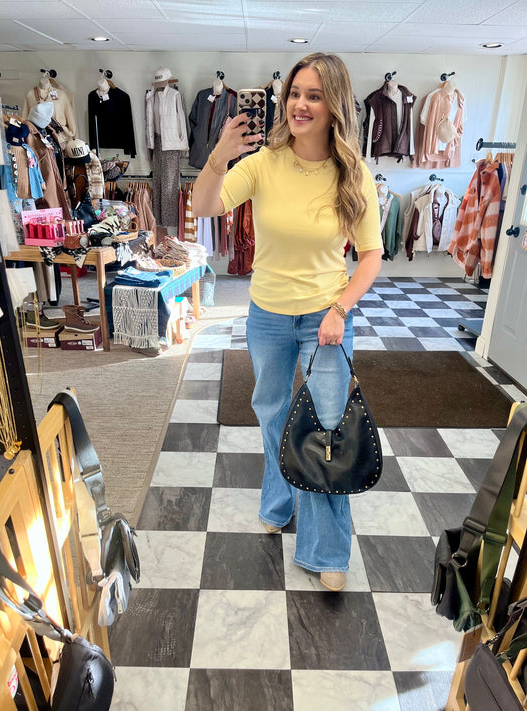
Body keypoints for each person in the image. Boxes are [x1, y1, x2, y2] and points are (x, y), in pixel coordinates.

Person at [192, 53, 383, 592]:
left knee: (328, 428)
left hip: (326, 317)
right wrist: (219, 155)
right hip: (268, 314)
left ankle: (326, 550)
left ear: (334, 105)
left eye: (314, 95)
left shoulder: (353, 174)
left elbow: (371, 254)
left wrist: (340, 309)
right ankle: (278, 501)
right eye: (295, 93)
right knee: (273, 414)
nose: (300, 104)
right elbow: (205, 206)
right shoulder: (264, 163)